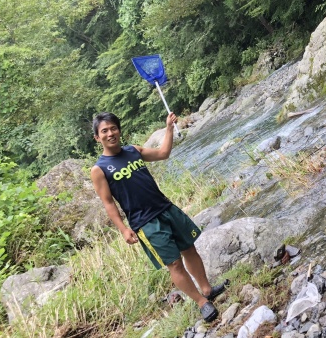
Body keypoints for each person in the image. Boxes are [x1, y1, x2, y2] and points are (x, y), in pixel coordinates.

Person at [90, 111, 226, 322]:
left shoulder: (133, 151)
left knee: (190, 248)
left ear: (119, 129)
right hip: (145, 223)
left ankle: (207, 290)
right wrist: (124, 229)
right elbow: (108, 202)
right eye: (104, 131)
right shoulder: (99, 170)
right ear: (97, 138)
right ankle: (202, 303)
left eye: (113, 128)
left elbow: (163, 153)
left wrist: (169, 128)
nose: (110, 133)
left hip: (165, 208)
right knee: (174, 264)